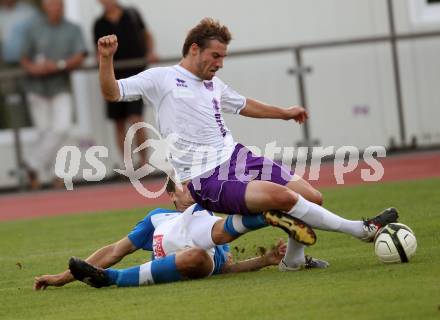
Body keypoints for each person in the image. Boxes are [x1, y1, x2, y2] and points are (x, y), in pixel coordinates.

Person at [96, 18, 399, 271]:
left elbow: (243, 105)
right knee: (281, 197)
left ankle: (293, 262)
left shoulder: (214, 84)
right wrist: (107, 58)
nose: (220, 63)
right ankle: (362, 230)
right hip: (208, 178)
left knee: (312, 197)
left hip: (238, 157)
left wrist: (284, 113)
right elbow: (113, 92)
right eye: (216, 56)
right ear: (194, 49)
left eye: (223, 57)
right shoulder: (162, 79)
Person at [34, 179, 329, 290]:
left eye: (192, 182)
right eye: (183, 185)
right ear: (173, 196)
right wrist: (62, 278)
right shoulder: (157, 218)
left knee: (200, 253)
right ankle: (265, 217)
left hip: (199, 261)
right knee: (202, 249)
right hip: (183, 259)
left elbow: (224, 268)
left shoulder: (209, 216)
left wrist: (264, 260)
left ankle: (267, 216)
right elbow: (115, 250)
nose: (190, 188)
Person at [19, 0, 87, 190]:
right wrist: (35, 68)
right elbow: (23, 58)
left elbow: (80, 55)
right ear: (44, 7)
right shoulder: (33, 28)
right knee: (45, 133)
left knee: (61, 128)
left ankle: (32, 165)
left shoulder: (72, 29)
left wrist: (58, 65)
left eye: (58, 4)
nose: (55, 8)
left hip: (60, 86)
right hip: (36, 88)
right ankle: (54, 176)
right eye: (52, 4)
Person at [94, 0, 158, 169]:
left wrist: (151, 52)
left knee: (136, 119)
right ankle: (127, 163)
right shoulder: (99, 24)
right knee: (119, 122)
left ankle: (144, 160)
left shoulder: (131, 14)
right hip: (113, 77)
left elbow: (146, 35)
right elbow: (98, 50)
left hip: (135, 75)